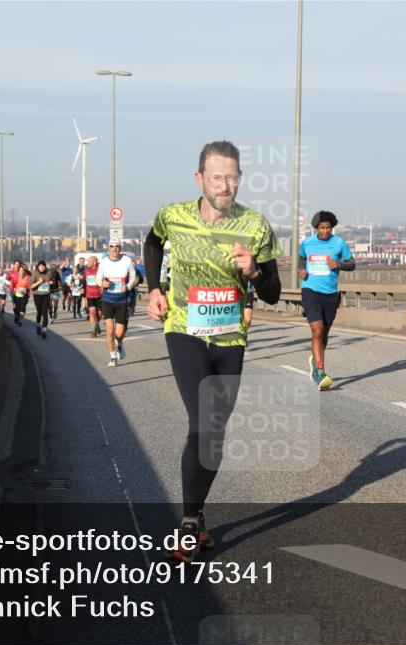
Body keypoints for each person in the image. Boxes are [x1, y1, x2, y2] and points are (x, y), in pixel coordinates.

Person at [144, 140, 281, 562]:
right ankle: (188, 523)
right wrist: (154, 288)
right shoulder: (173, 215)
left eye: (232, 178)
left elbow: (273, 293)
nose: (225, 186)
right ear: (199, 178)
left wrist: (253, 271)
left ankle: (197, 512)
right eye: (217, 177)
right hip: (185, 329)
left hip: (230, 338)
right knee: (203, 422)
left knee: (215, 431)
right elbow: (152, 243)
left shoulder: (255, 226)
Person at [298, 210, 355, 390]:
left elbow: (352, 264)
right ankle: (320, 371)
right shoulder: (307, 243)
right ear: (316, 228)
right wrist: (301, 269)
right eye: (322, 228)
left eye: (328, 228)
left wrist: (339, 264)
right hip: (310, 290)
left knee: (324, 334)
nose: (325, 231)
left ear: (332, 228)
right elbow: (301, 258)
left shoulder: (339, 243)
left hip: (330, 294)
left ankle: (315, 361)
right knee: (317, 329)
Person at [96, 240, 136, 367]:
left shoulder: (127, 261)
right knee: (110, 329)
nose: (114, 248)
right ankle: (113, 357)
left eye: (117, 246)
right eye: (112, 246)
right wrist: (102, 283)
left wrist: (128, 286)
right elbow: (98, 277)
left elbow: (134, 276)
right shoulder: (104, 261)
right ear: (108, 248)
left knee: (120, 333)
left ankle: (119, 343)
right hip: (107, 299)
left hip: (122, 300)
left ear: (120, 248)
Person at [30, 260, 52, 338]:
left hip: (46, 295)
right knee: (39, 312)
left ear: (45, 266)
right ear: (38, 267)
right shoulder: (35, 274)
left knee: (45, 312)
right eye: (40, 266)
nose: (42, 267)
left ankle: (44, 330)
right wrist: (39, 282)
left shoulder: (49, 273)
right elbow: (31, 286)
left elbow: (53, 281)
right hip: (37, 295)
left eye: (43, 266)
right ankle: (38, 325)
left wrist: (51, 282)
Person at [83, 255, 102, 337]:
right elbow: (84, 282)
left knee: (99, 314)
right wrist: (83, 293)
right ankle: (93, 331)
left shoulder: (100, 271)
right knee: (92, 313)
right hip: (90, 295)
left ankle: (97, 325)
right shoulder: (86, 271)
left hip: (100, 295)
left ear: (94, 263)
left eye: (89, 261)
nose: (87, 263)